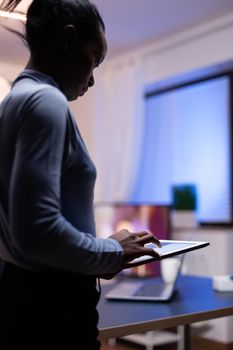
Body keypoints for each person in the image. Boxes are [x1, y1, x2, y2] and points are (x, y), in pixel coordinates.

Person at [0, 1, 161, 349]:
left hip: (19, 295)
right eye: (95, 59)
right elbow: (38, 232)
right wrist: (109, 252)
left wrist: (98, 253)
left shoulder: (12, 102)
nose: (91, 78)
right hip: (53, 308)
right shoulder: (46, 101)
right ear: (67, 40)